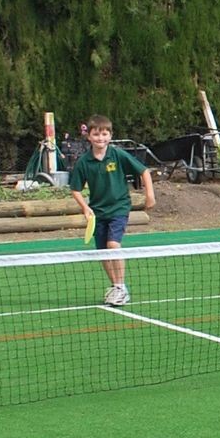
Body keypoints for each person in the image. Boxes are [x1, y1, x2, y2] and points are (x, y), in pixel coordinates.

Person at [67, 116, 154, 305]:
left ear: (110, 135)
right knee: (103, 252)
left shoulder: (117, 155)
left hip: (119, 208)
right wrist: (85, 208)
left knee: (113, 245)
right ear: (89, 137)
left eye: (104, 134)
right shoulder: (84, 162)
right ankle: (116, 287)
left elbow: (144, 171)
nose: (101, 138)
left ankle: (121, 287)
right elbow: (75, 189)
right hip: (98, 213)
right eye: (96, 134)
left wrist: (150, 195)